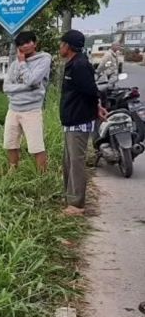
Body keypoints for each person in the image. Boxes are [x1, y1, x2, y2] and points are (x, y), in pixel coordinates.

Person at [59, 30, 108, 216]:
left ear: (67, 46)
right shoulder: (72, 64)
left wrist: (97, 106)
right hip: (71, 121)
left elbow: (91, 90)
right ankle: (70, 198)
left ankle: (76, 205)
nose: (60, 47)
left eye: (62, 44)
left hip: (78, 122)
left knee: (76, 163)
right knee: (68, 162)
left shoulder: (79, 65)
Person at [2, 31, 52, 172]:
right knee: (10, 143)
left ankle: (42, 176)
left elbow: (33, 80)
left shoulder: (44, 59)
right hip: (13, 109)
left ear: (35, 43)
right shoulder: (14, 64)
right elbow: (6, 87)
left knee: (36, 145)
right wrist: (27, 87)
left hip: (32, 109)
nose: (24, 46)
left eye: (28, 42)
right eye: (21, 44)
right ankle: (13, 172)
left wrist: (23, 63)